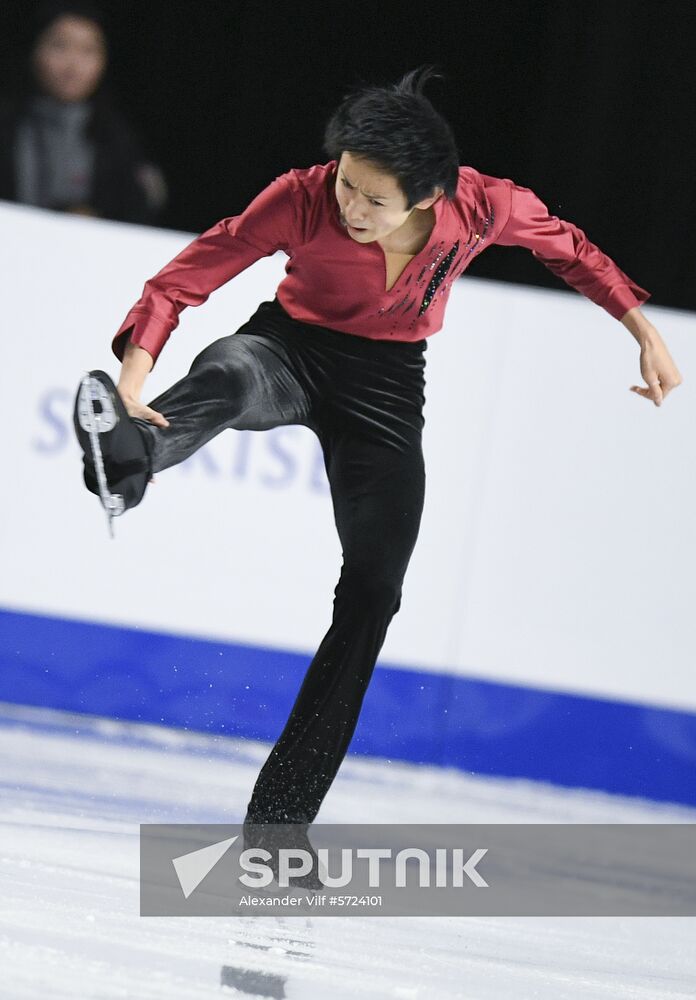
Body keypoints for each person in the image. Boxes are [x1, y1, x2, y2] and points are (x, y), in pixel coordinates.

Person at [73, 65, 682, 842]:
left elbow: (568, 248)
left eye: (372, 199)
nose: (350, 206)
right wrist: (131, 381)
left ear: (428, 198)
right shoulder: (301, 196)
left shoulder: (485, 206)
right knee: (227, 373)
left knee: (372, 595)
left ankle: (280, 824)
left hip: (387, 390)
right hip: (287, 349)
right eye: (347, 186)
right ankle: (127, 458)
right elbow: (190, 275)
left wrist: (645, 331)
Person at [0, 2, 166, 223]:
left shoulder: (116, 138)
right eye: (60, 46)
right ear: (33, 49)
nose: (73, 65)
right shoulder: (8, 125)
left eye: (89, 50)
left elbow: (139, 207)